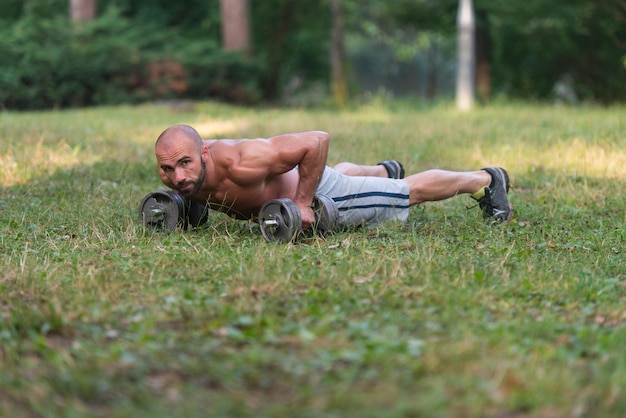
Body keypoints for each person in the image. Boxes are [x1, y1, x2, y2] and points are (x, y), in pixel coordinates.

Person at [154, 125, 512, 231]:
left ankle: (484, 180)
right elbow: (184, 185)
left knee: (407, 192)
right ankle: (381, 170)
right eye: (167, 169)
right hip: (301, 185)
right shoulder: (184, 174)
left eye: (185, 163)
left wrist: (302, 203)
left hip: (319, 192)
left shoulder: (242, 160)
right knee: (358, 178)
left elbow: (316, 140)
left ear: (204, 153)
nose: (178, 177)